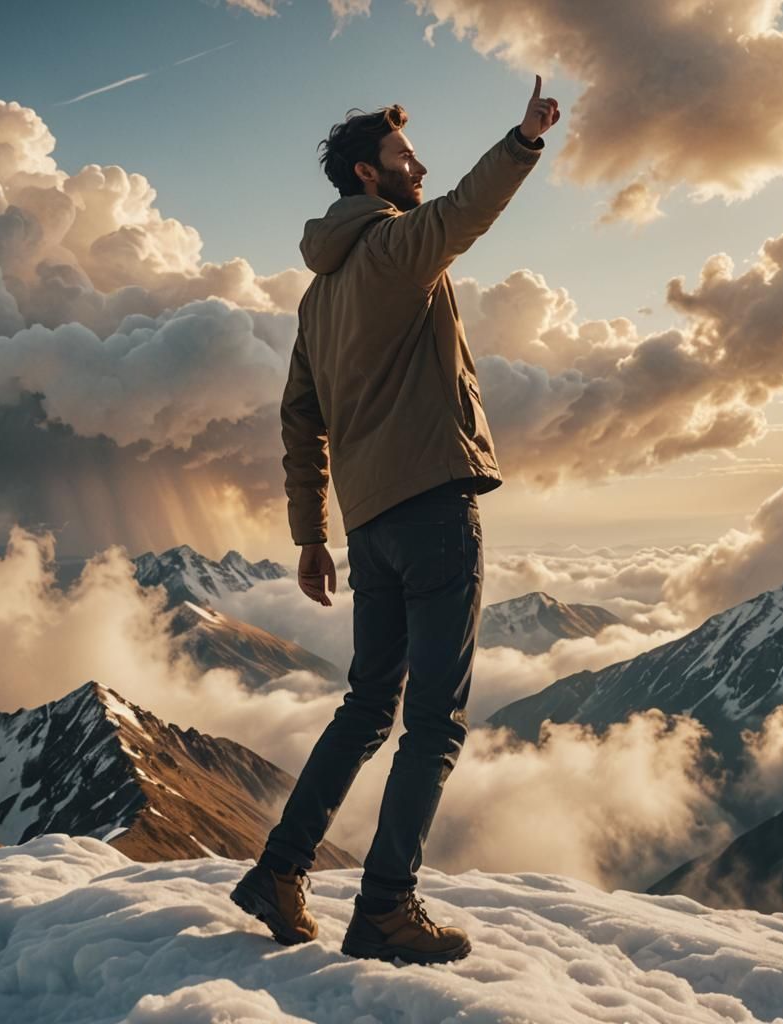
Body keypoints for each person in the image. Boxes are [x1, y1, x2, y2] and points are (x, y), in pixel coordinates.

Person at [231, 75, 559, 965]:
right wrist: (524, 140)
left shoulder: (316, 297)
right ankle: (384, 908)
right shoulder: (392, 249)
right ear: (369, 178)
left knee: (369, 704)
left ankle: (280, 870)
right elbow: (465, 211)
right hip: (433, 508)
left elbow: (299, 420)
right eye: (404, 157)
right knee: (434, 723)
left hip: (369, 525)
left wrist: (311, 534)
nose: (418, 166)